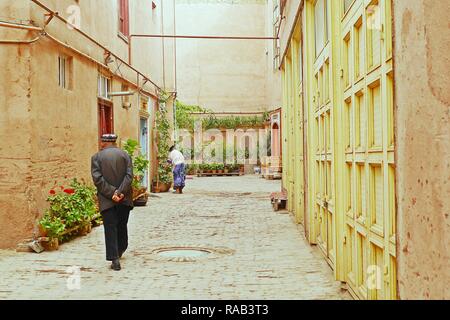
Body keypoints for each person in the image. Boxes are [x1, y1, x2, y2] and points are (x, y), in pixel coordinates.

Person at [91, 134, 133, 271]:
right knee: (122, 224)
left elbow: (98, 179)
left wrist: (112, 193)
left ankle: (114, 259)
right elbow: (129, 176)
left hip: (107, 199)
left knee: (110, 228)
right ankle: (121, 248)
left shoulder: (96, 157)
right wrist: (120, 192)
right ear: (114, 142)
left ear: (103, 142)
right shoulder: (125, 155)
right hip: (124, 198)